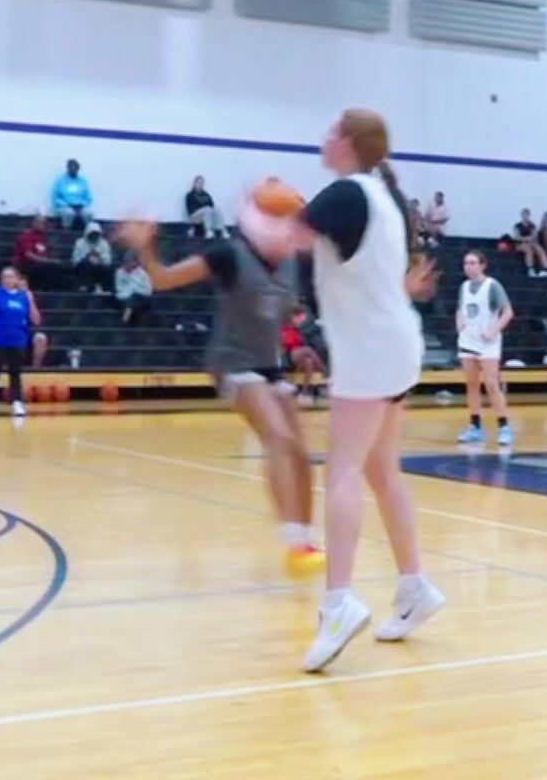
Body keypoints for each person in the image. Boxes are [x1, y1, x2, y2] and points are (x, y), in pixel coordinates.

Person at [239, 108, 443, 673]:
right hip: (396, 342)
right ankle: (415, 587)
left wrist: (251, 204)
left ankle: (338, 603)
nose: (324, 138)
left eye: (332, 131)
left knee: (344, 471)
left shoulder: (346, 194)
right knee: (381, 470)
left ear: (349, 143)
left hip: (370, 348)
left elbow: (275, 241)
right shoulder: (384, 196)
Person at [116, 215, 326, 577]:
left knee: (301, 453)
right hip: (232, 362)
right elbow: (162, 279)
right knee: (278, 437)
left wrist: (297, 346)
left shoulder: (292, 264)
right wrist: (146, 247)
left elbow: (283, 314)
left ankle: (305, 541)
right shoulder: (229, 255)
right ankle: (294, 540)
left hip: (270, 364)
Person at [454, 250, 514, 448]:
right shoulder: (463, 287)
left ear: (482, 265)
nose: (468, 267)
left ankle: (504, 426)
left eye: (472, 263)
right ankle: (475, 426)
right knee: (471, 384)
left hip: (488, 342)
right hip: (468, 341)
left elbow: (508, 312)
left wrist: (493, 330)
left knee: (491, 383)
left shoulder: (492, 286)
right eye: (466, 263)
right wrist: (460, 325)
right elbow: (460, 309)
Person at [0, 266, 33, 423]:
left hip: (16, 340)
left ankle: (17, 403)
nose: (7, 279)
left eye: (10, 276)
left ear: (16, 279)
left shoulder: (23, 297)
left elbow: (26, 317)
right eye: (4, 277)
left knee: (15, 373)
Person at [13, 215, 69, 291]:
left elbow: (44, 252)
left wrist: (50, 260)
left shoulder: (42, 237)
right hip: (26, 264)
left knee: (60, 267)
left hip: (40, 263)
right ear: (34, 223)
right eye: (42, 223)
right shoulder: (27, 235)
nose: (44, 225)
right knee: (50, 267)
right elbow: (29, 255)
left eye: (45, 223)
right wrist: (48, 261)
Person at [282, 304, 326, 398]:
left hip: (300, 356)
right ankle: (322, 370)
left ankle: (305, 391)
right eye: (299, 318)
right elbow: (287, 343)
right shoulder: (287, 328)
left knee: (308, 361)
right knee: (308, 349)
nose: (301, 320)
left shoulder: (301, 329)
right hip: (292, 353)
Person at [50, 159, 93, 229]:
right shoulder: (60, 180)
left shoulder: (83, 181)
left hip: (80, 206)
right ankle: (66, 229)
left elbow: (89, 196)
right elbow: (55, 197)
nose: (73, 170)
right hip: (65, 206)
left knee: (89, 213)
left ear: (78, 169)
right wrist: (67, 205)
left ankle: (88, 230)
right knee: (69, 213)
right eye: (70, 168)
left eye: (75, 168)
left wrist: (82, 204)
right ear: (67, 169)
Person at [72, 222, 114, 293]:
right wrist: (87, 257)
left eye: (96, 233)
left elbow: (108, 261)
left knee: (107, 268)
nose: (94, 235)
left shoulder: (104, 243)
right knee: (85, 265)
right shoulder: (79, 243)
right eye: (92, 233)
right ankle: (85, 286)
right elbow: (75, 260)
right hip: (84, 266)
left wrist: (99, 257)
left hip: (99, 267)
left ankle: (101, 287)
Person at [113, 252, 153, 326]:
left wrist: (136, 291)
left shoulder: (143, 274)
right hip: (124, 298)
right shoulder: (119, 272)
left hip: (140, 298)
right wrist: (128, 294)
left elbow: (148, 290)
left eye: (130, 262)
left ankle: (124, 320)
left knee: (134, 297)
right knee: (128, 301)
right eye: (126, 262)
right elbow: (118, 289)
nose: (128, 264)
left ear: (135, 262)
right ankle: (128, 319)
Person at [512, 209, 547, 277]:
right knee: (528, 249)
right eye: (524, 214)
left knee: (539, 248)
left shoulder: (533, 226)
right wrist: (526, 239)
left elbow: (534, 236)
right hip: (519, 244)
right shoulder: (517, 226)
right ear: (522, 215)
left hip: (530, 243)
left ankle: (546, 269)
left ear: (529, 215)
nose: (525, 216)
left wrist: (529, 239)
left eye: (527, 214)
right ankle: (530, 269)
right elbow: (516, 237)